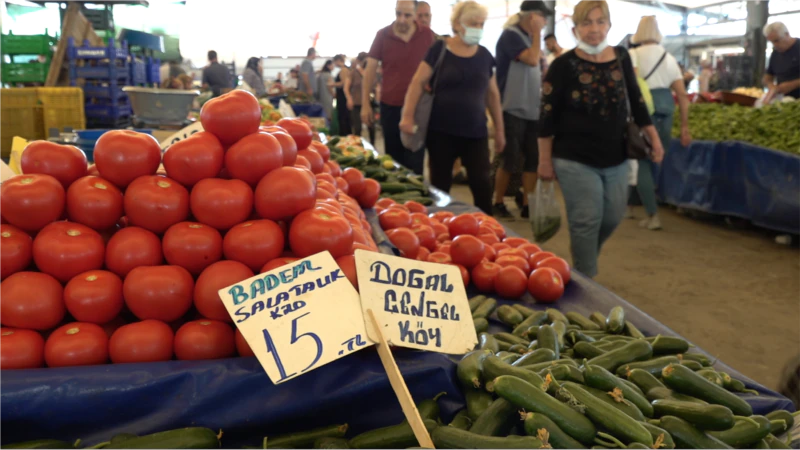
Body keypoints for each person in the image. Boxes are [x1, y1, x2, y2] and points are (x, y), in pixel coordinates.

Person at [538, 0, 665, 278]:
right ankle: (588, 281)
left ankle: (583, 267)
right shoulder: (562, 65)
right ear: (575, 29)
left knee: (611, 217)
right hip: (573, 158)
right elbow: (546, 116)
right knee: (586, 221)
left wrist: (654, 139)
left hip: (617, 157)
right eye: (586, 23)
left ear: (609, 25)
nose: (594, 29)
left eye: (599, 22)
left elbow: (638, 102)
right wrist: (544, 161)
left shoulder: (621, 57)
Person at [400, 1, 504, 214]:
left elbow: (492, 95)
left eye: (481, 24)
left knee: (482, 184)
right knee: (440, 187)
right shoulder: (440, 49)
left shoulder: (484, 55)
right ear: (457, 24)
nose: (478, 29)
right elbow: (417, 83)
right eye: (473, 23)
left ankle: (490, 232)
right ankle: (440, 230)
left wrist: (501, 131)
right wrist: (407, 117)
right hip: (441, 132)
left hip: (476, 133)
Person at [629, 15, 692, 230]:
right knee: (658, 156)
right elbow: (683, 96)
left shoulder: (633, 55)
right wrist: (685, 127)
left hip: (644, 111)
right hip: (667, 111)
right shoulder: (669, 58)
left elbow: (632, 87)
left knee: (644, 162)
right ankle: (648, 203)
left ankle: (652, 214)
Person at [492, 0, 551, 220]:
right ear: (532, 17)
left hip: (532, 109)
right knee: (510, 158)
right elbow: (532, 60)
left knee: (532, 160)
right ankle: (498, 201)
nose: (545, 23)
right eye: (542, 18)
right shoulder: (511, 35)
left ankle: (527, 204)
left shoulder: (529, 39)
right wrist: (536, 34)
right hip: (512, 108)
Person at [362, 0, 436, 175]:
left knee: (415, 160)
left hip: (418, 109)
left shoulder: (427, 35)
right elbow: (370, 70)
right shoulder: (382, 35)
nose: (401, 19)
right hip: (391, 107)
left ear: (415, 15)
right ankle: (397, 202)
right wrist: (365, 104)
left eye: (407, 15)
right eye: (398, 14)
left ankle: (415, 200)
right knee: (393, 162)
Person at [763, 22, 800, 104]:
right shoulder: (775, 53)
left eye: (777, 41)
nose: (775, 45)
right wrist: (771, 86)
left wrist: (793, 84)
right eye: (771, 42)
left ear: (787, 34)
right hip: (785, 102)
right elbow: (768, 77)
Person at [345, 52, 375, 140]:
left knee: (371, 126)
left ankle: (373, 146)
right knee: (357, 128)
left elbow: (375, 86)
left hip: (368, 103)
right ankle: (357, 145)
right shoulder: (353, 73)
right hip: (356, 103)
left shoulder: (370, 73)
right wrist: (349, 99)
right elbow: (346, 88)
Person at [333, 55, 352, 136]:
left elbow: (344, 83)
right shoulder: (345, 69)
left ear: (338, 60)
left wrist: (333, 84)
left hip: (342, 97)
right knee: (344, 117)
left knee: (343, 117)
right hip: (342, 96)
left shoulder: (344, 70)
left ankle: (344, 135)